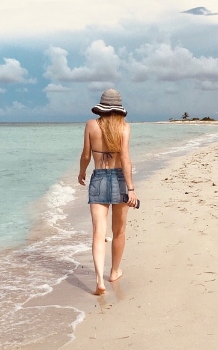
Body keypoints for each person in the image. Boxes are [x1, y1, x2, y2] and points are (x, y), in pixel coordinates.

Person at [77, 89, 138, 295]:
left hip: (99, 178)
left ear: (101, 107)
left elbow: (86, 155)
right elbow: (126, 159)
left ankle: (98, 280)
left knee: (98, 232)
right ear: (119, 109)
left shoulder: (90, 125)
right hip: (120, 179)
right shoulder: (124, 127)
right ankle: (113, 272)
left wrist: (81, 172)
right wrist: (131, 189)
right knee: (119, 231)